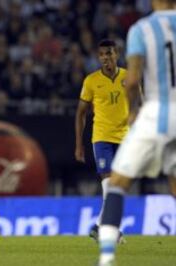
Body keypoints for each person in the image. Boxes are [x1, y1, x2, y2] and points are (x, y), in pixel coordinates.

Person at [98, 0, 176, 265]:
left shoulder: (142, 29)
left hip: (155, 113)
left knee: (117, 183)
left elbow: (132, 81)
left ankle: (107, 257)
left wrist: (133, 111)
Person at [75, 39, 129, 243]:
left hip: (125, 138)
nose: (106, 58)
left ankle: (99, 227)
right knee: (108, 183)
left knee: (119, 187)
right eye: (102, 55)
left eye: (109, 53)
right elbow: (80, 113)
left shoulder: (128, 77)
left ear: (117, 54)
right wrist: (79, 144)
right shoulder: (91, 81)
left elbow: (138, 105)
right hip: (102, 138)